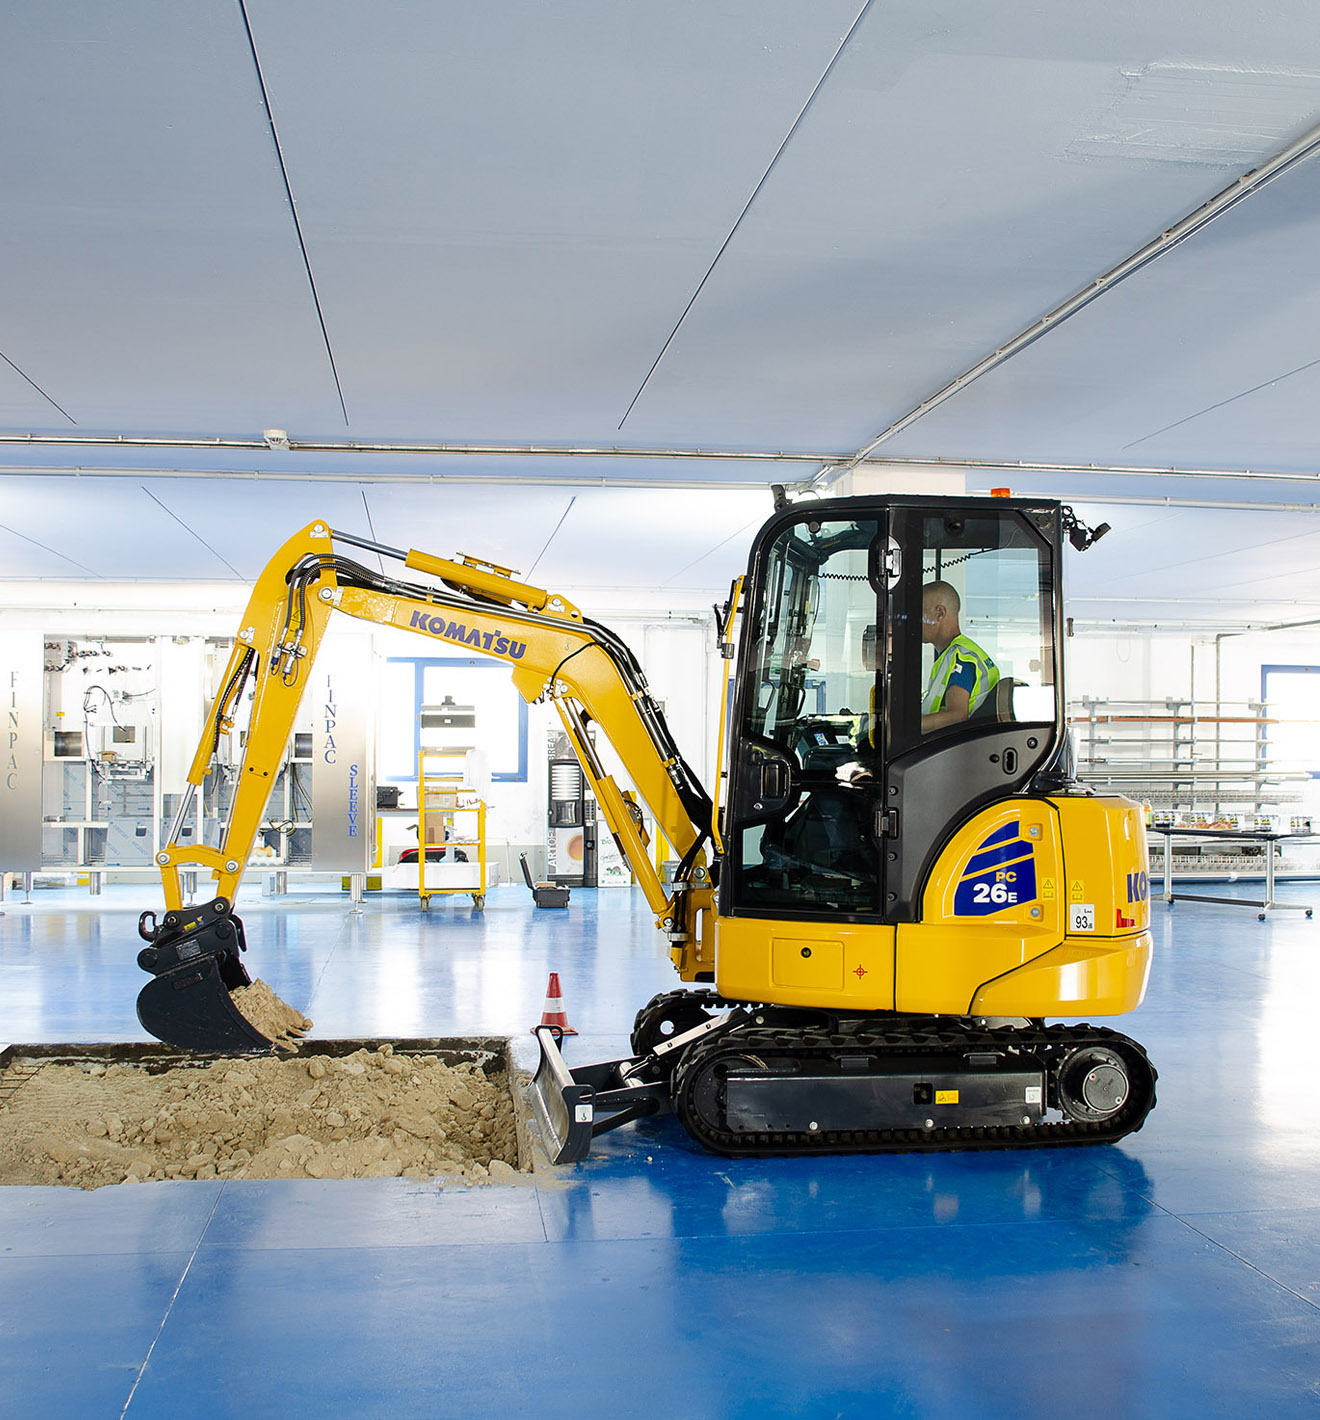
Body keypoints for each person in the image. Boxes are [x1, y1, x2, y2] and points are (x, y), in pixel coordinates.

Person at [920, 580, 998, 732]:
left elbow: (956, 715)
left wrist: (903, 728)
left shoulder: (962, 657)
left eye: (919, 614)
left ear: (940, 613)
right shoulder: (950, 656)